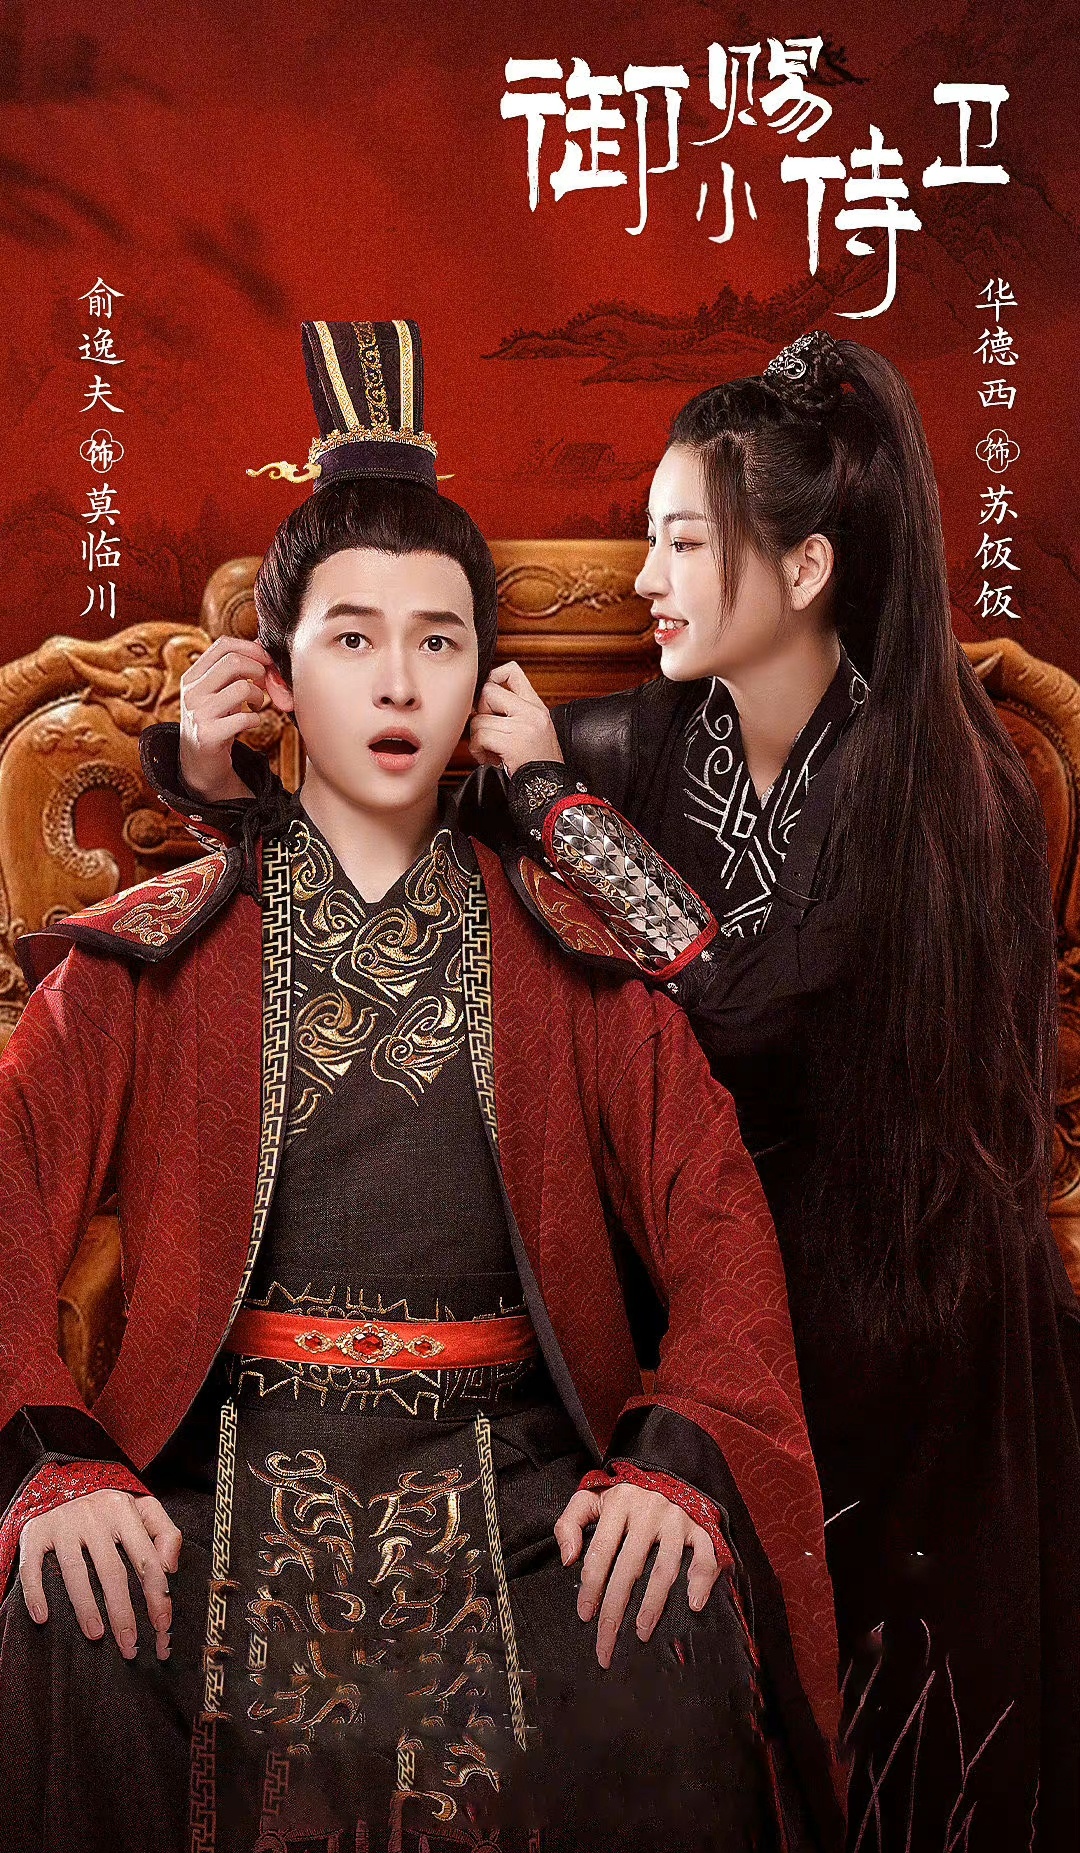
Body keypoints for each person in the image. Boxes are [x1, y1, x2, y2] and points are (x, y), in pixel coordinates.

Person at [178, 330, 1080, 1851]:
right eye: (648, 539)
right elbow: (382, 826)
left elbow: (748, 1009)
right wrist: (211, 780)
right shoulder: (659, 740)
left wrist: (553, 802)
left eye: (682, 543)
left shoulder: (940, 786)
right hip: (715, 1265)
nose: (647, 577)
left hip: (903, 1307)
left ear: (804, 570)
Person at [0, 320, 843, 1853]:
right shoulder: (161, 951)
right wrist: (50, 1451)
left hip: (515, 1488)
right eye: (352, 637)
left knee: (662, 1620)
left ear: (482, 682)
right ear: (277, 676)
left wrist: (676, 1455)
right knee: (75, 1609)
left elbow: (718, 1215)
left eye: (439, 640)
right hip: (225, 1474)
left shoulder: (564, 951)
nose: (398, 680)